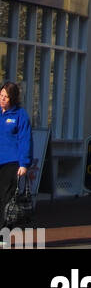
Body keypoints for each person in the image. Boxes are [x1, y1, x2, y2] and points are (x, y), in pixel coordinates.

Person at [0, 81, 33, 221]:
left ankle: (3, 235)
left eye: (6, 97)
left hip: (10, 162)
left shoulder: (20, 115)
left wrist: (24, 164)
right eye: (1, 95)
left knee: (6, 198)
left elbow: (25, 140)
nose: (2, 99)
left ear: (12, 98)